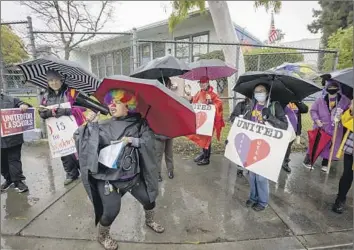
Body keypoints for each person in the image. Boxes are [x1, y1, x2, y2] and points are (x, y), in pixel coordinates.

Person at [74, 89, 164, 250]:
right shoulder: (101, 125)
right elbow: (85, 146)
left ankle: (150, 220)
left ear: (128, 106)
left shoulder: (140, 123)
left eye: (117, 102)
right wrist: (90, 126)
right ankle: (102, 236)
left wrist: (133, 140)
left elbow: (149, 142)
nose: (112, 105)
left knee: (149, 200)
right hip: (109, 179)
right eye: (110, 102)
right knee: (110, 212)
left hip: (133, 178)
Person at [228, 83, 288, 211]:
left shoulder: (274, 106)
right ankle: (253, 197)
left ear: (267, 93)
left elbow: (284, 126)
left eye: (262, 91)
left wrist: (270, 117)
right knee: (252, 175)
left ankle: (263, 201)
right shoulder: (251, 106)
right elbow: (245, 123)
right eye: (256, 91)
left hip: (268, 146)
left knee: (261, 177)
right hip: (253, 145)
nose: (259, 93)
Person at [38, 69, 86, 185]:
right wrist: (47, 113)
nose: (54, 83)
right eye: (50, 81)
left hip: (73, 126)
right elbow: (41, 110)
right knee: (64, 152)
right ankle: (71, 174)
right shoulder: (45, 96)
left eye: (56, 80)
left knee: (78, 150)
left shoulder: (72, 92)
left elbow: (83, 107)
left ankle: (85, 172)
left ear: (61, 80)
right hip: (58, 131)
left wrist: (67, 111)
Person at [303, 80, 351, 172]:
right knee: (316, 144)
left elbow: (349, 113)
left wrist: (341, 117)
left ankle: (325, 163)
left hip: (336, 128)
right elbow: (313, 110)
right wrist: (317, 120)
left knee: (331, 146)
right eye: (330, 87)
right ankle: (308, 161)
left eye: (334, 87)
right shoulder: (320, 99)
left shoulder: (345, 100)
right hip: (321, 127)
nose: (332, 89)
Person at [186, 76, 225, 166]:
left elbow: (219, 103)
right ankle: (203, 153)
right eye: (200, 83)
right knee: (201, 137)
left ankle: (206, 158)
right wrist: (190, 99)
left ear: (207, 83)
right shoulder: (199, 93)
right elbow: (194, 101)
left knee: (207, 139)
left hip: (209, 121)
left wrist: (211, 103)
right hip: (201, 120)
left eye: (203, 83)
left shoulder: (212, 94)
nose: (201, 85)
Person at [1, 92, 30, 193]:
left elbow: (23, 104)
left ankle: (18, 181)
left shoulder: (10, 99)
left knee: (14, 160)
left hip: (13, 137)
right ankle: (8, 179)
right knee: (2, 162)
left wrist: (24, 105)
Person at [332, 100, 353, 214]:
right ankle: (340, 199)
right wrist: (350, 111)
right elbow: (345, 122)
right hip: (350, 148)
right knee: (347, 175)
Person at [155, 77, 175, 181]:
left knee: (169, 153)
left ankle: (170, 170)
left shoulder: (172, 97)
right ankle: (157, 173)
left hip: (169, 130)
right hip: (158, 132)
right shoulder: (155, 98)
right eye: (166, 84)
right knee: (158, 154)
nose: (167, 86)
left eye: (168, 85)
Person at [281, 102, 308, 173]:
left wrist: (297, 102)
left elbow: (305, 109)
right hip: (284, 128)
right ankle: (279, 161)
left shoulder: (297, 103)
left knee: (288, 146)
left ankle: (285, 162)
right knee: (281, 146)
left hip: (294, 129)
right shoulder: (282, 102)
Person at [229, 97, 252, 177]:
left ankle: (251, 169)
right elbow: (232, 117)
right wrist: (238, 118)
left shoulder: (260, 107)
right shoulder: (240, 105)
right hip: (242, 133)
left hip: (253, 135)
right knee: (242, 151)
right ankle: (240, 169)